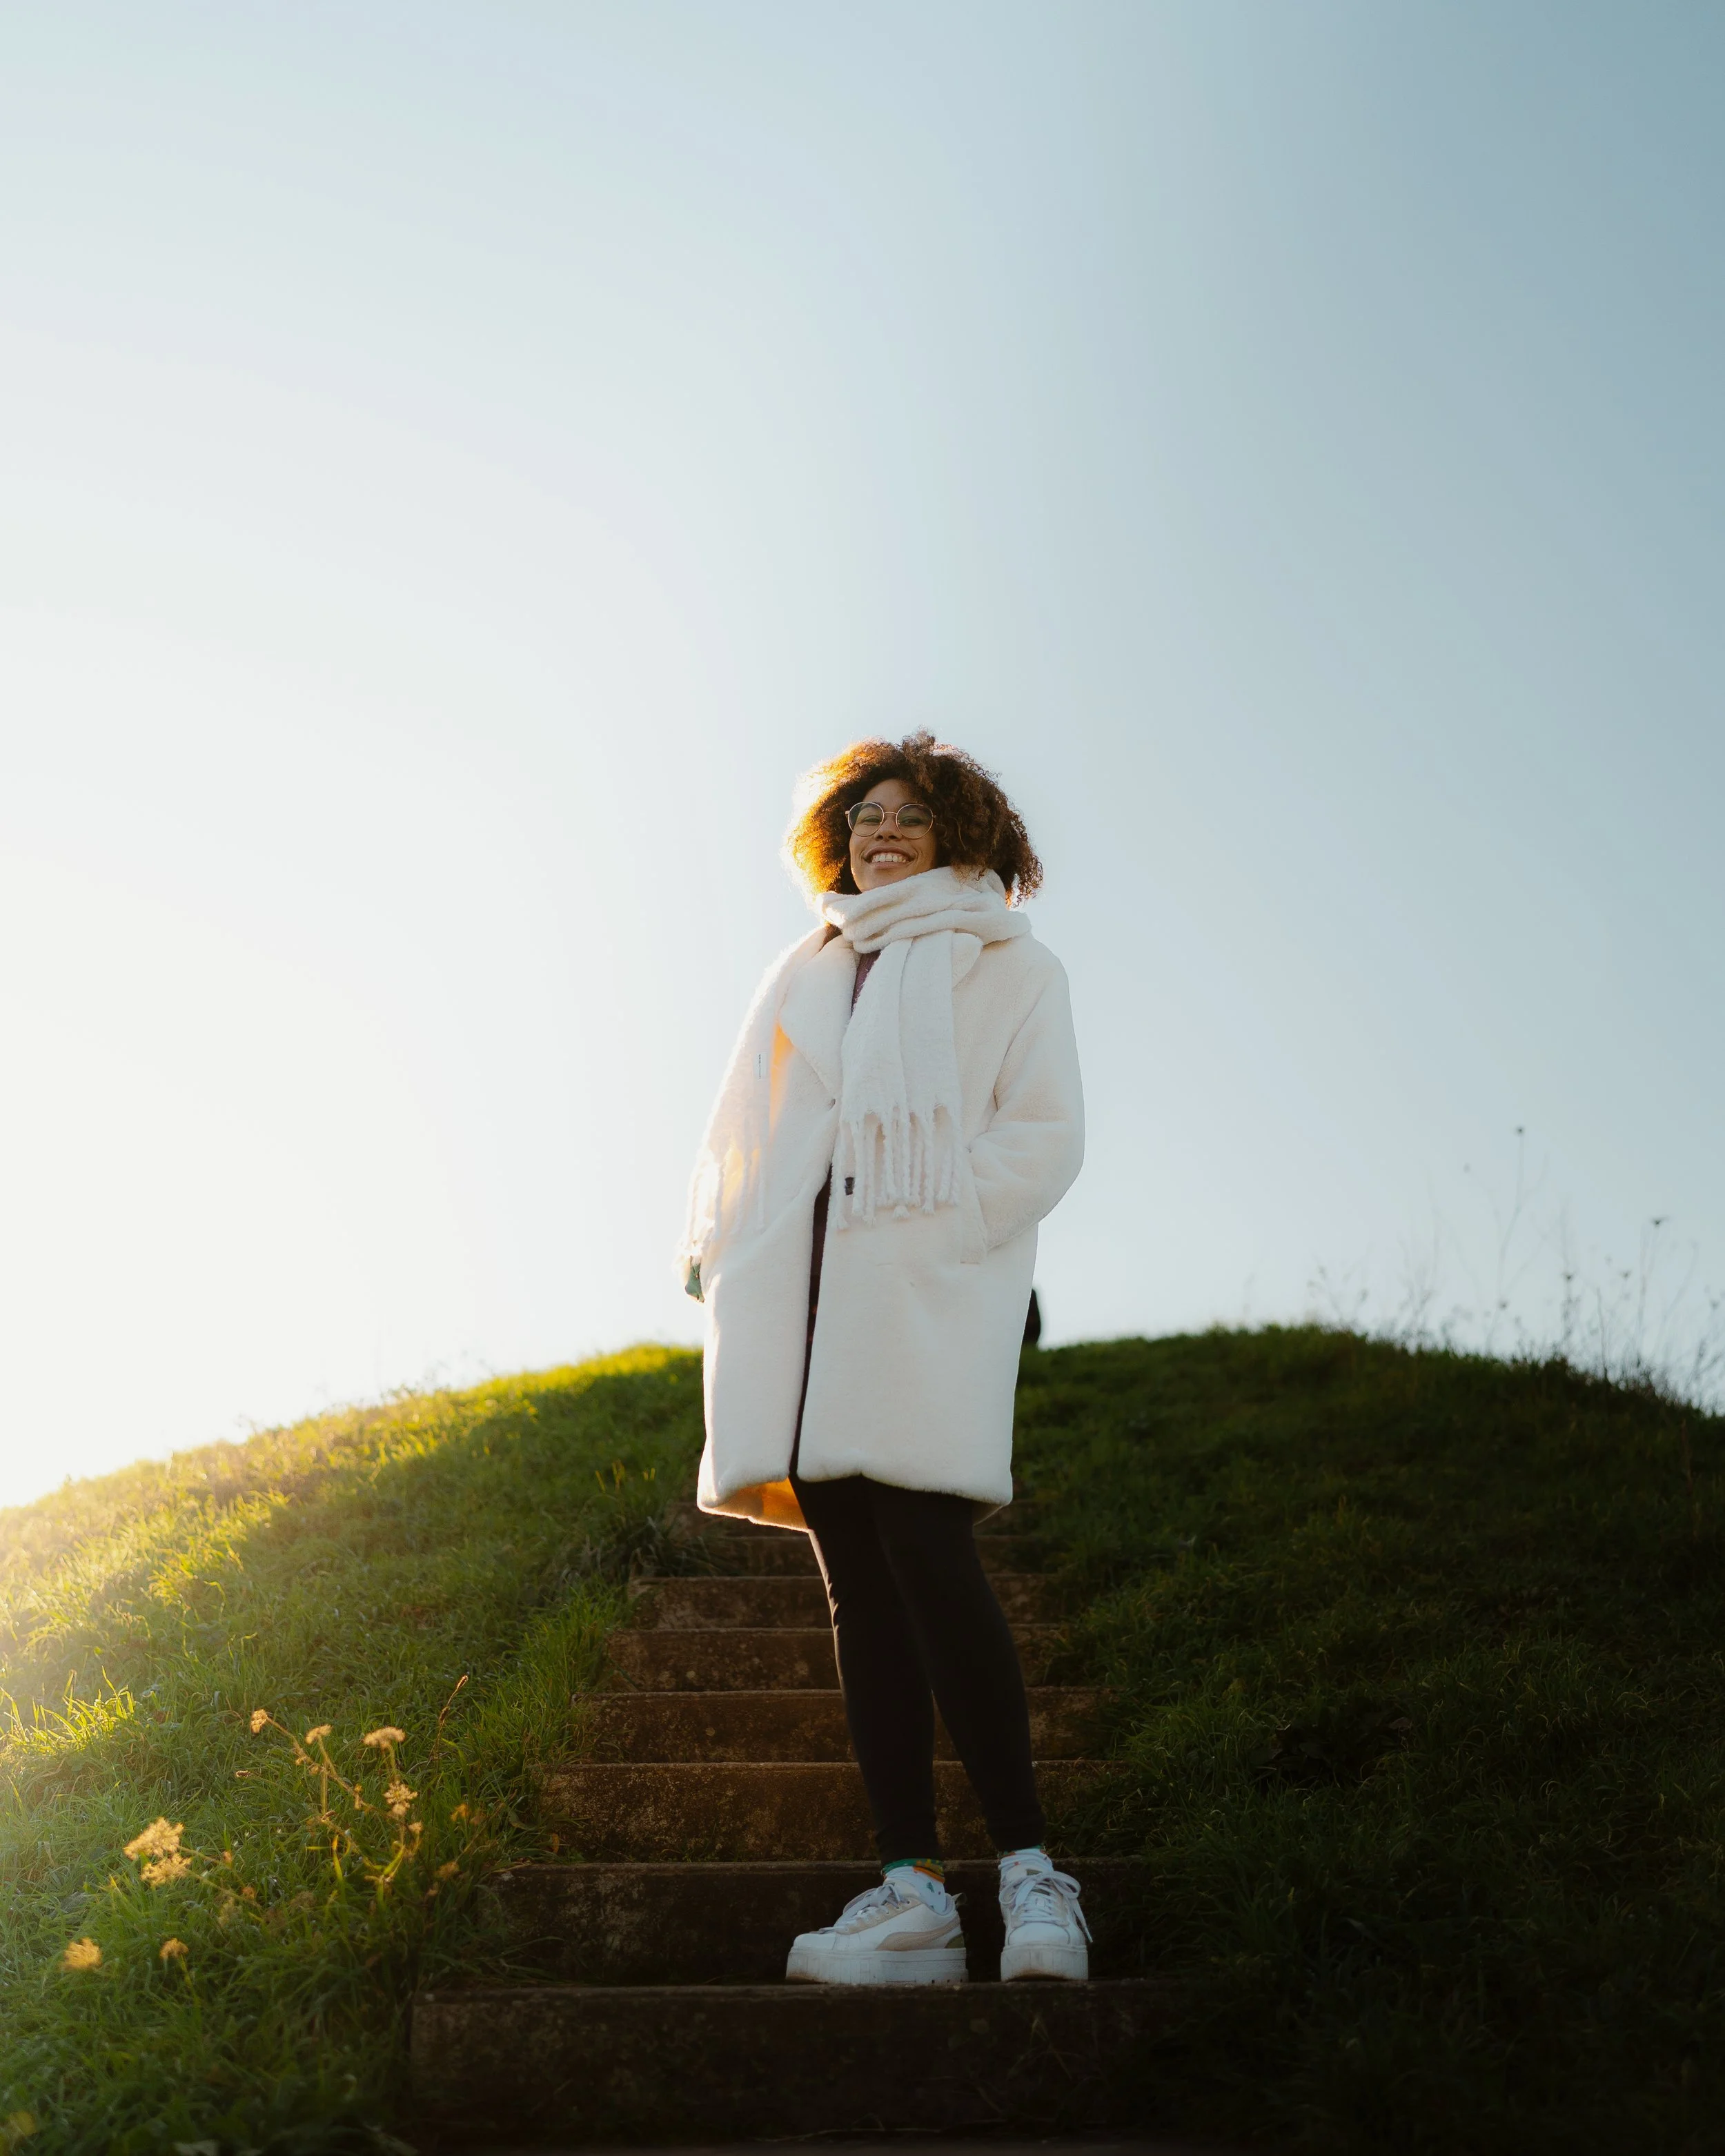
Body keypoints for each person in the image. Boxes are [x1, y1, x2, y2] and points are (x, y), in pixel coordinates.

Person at [679, 732, 1087, 1987]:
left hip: (921, 1289)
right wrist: (732, 1245)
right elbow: (759, 1130)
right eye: (863, 815)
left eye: (911, 813)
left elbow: (1048, 1133)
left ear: (963, 831)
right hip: (801, 1301)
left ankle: (1030, 1876)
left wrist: (948, 1216)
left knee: (926, 1541)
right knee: (855, 1575)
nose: (882, 831)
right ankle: (910, 1890)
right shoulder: (810, 966)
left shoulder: (1007, 965)